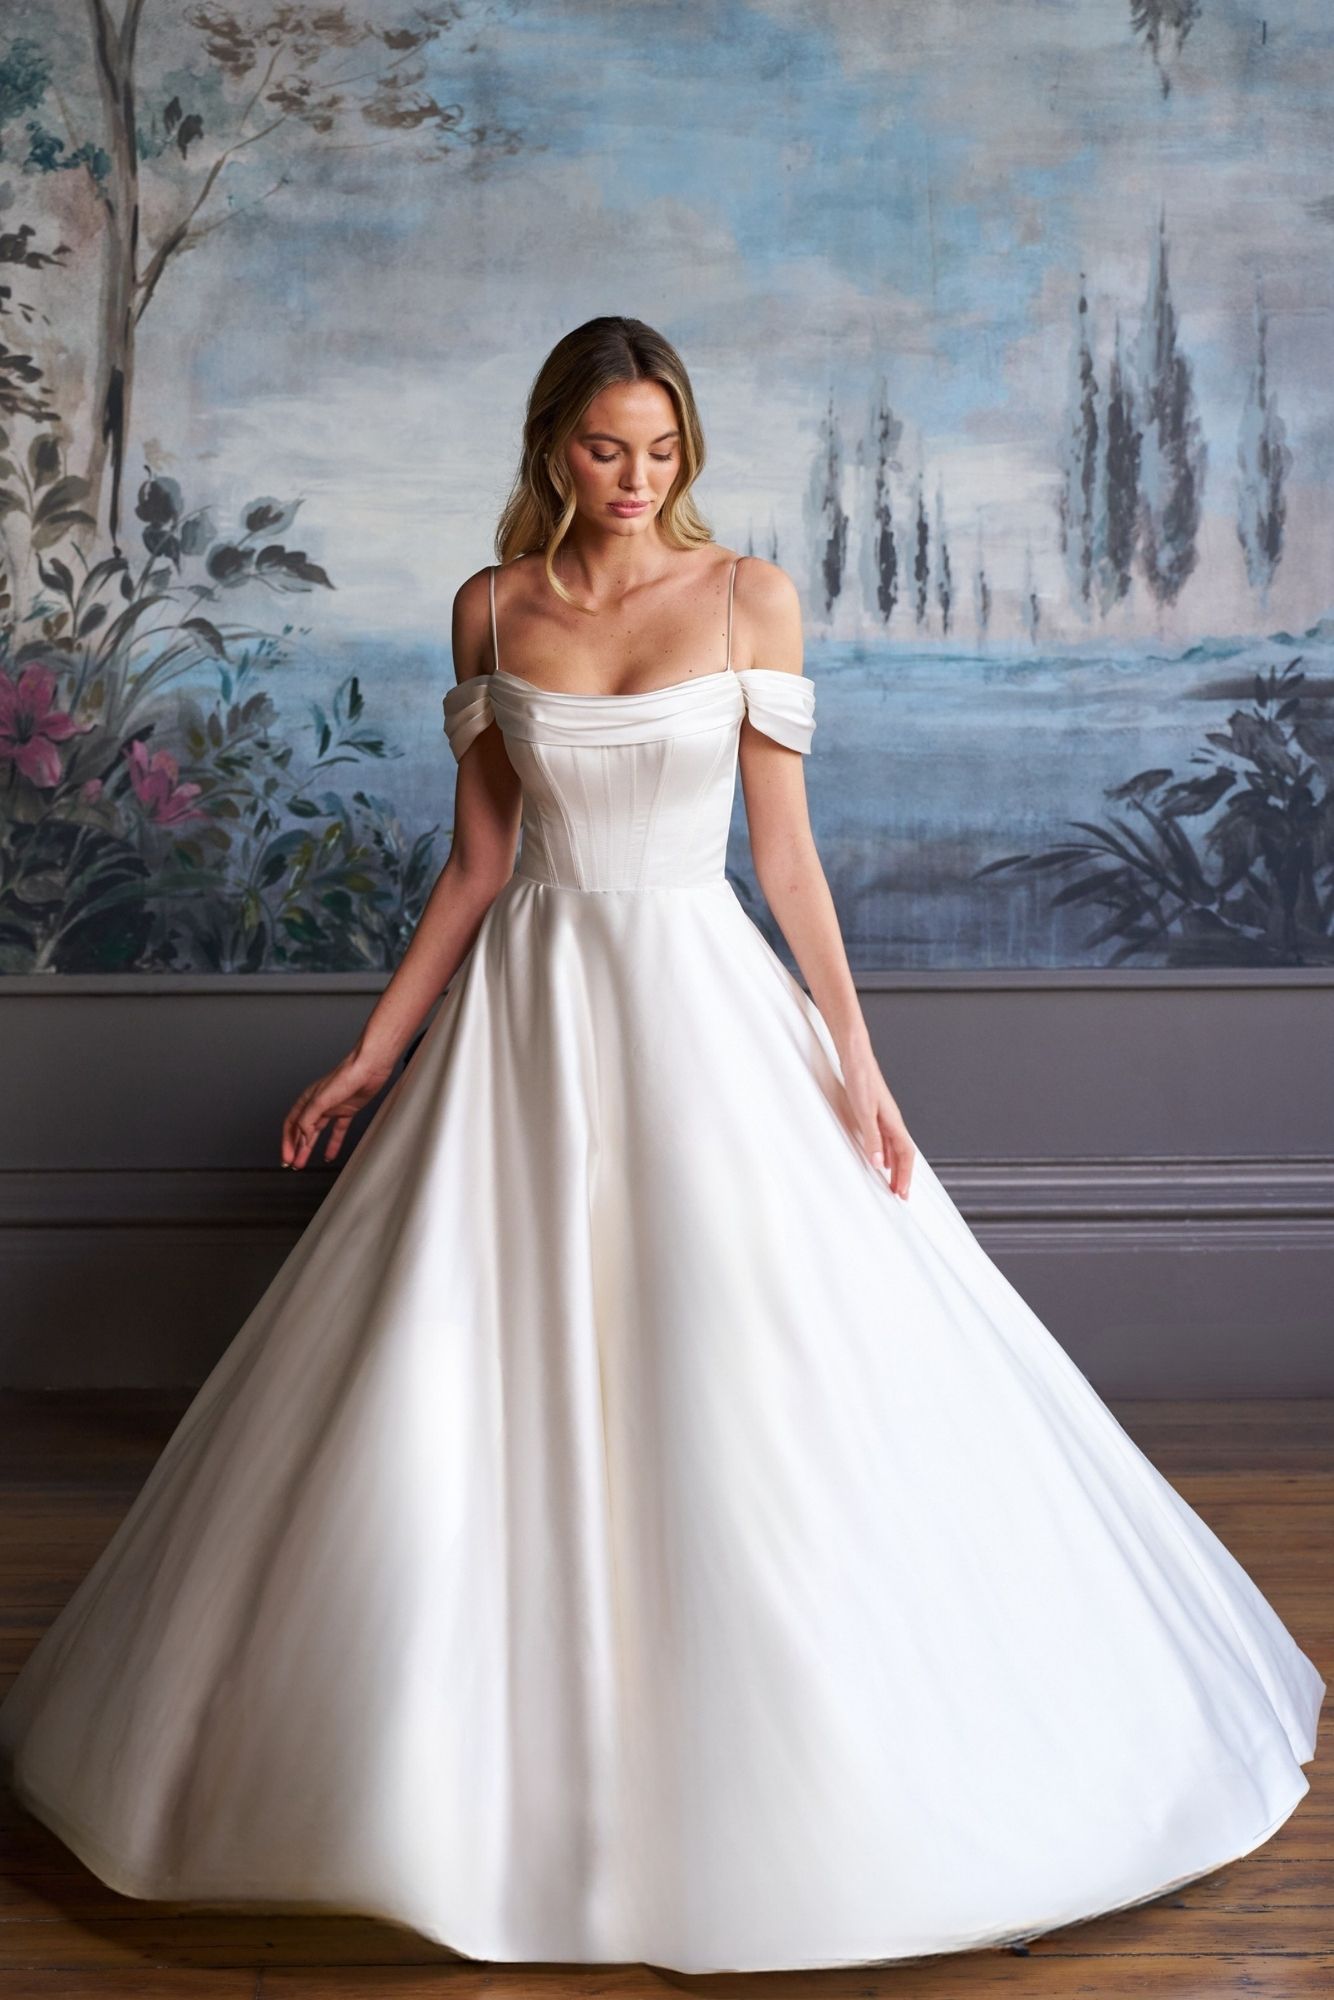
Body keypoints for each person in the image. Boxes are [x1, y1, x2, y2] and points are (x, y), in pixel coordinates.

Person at [0, 316, 1323, 1977]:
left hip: (703, 1002)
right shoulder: (492, 608)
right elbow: (479, 868)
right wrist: (373, 1046)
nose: (636, 481)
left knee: (752, 1367)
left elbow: (788, 861)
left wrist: (857, 1063)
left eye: (663, 451)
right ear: (552, 443)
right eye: (606, 449)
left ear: (685, 453)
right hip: (530, 1015)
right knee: (463, 1371)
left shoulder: (749, 596)